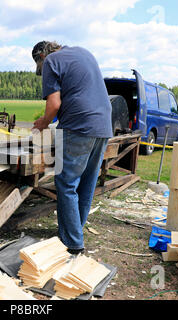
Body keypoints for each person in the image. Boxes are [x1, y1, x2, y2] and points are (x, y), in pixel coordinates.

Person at [32, 41, 113, 255]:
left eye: (39, 68)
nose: (42, 70)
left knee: (66, 184)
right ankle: (75, 232)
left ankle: (72, 242)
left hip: (79, 126)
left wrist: (43, 122)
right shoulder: (84, 51)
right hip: (103, 125)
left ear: (41, 56)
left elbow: (54, 104)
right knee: (86, 184)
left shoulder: (51, 61)